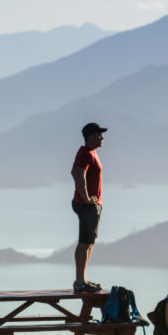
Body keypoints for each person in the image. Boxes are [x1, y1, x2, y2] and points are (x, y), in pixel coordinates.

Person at [70, 122, 107, 293]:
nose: (102, 138)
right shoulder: (86, 153)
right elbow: (78, 174)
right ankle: (80, 281)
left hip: (88, 204)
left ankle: (82, 279)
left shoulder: (89, 153)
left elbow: (74, 173)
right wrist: (86, 199)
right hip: (88, 206)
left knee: (87, 242)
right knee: (86, 242)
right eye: (99, 134)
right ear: (90, 136)